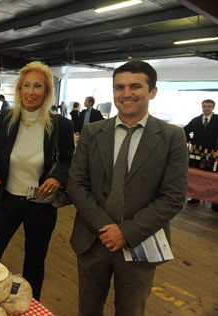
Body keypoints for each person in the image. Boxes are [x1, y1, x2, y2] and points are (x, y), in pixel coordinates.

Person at [67, 60, 188, 316]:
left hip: (140, 242)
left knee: (131, 311)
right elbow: (76, 183)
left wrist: (126, 232)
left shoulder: (171, 137)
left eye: (135, 86)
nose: (126, 93)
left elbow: (173, 197)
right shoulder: (92, 132)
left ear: (152, 91)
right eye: (119, 87)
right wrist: (107, 228)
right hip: (93, 240)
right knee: (87, 309)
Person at [0, 61, 74, 300]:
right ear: (19, 89)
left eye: (38, 86)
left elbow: (68, 162)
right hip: (7, 200)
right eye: (26, 85)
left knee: (34, 262)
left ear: (46, 92)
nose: (31, 91)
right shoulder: (5, 120)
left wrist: (56, 177)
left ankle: (30, 306)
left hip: (41, 205)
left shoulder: (61, 126)